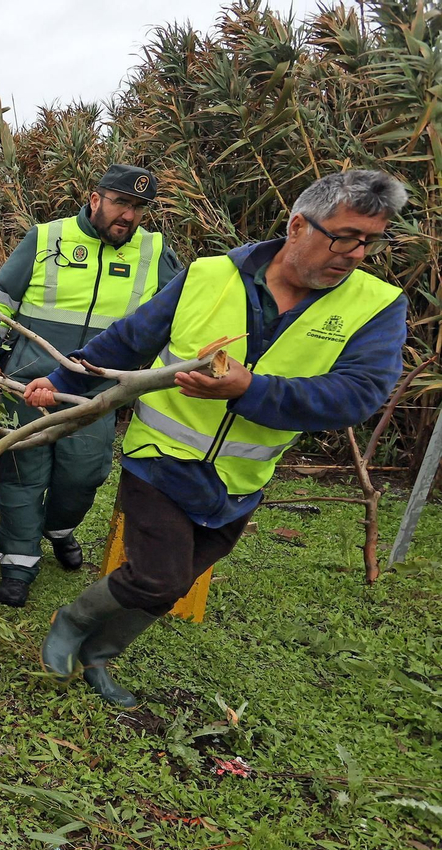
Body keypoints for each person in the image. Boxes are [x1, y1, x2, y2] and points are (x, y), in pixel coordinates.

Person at [25, 170, 409, 707]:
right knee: (159, 578)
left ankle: (98, 656)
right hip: (160, 457)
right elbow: (129, 340)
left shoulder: (378, 305)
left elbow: (359, 394)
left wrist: (249, 388)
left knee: (176, 583)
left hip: (240, 479)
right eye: (344, 237)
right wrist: (61, 380)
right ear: (298, 225)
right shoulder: (209, 274)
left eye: (369, 241)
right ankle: (70, 621)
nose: (356, 254)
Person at [0, 165, 183, 608]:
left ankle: (59, 528)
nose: (129, 216)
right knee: (21, 472)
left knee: (85, 471)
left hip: (98, 386)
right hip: (29, 380)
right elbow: (0, 300)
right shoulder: (46, 238)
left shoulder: (154, 250)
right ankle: (18, 564)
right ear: (96, 199)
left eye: (138, 208)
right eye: (121, 203)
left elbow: (178, 313)